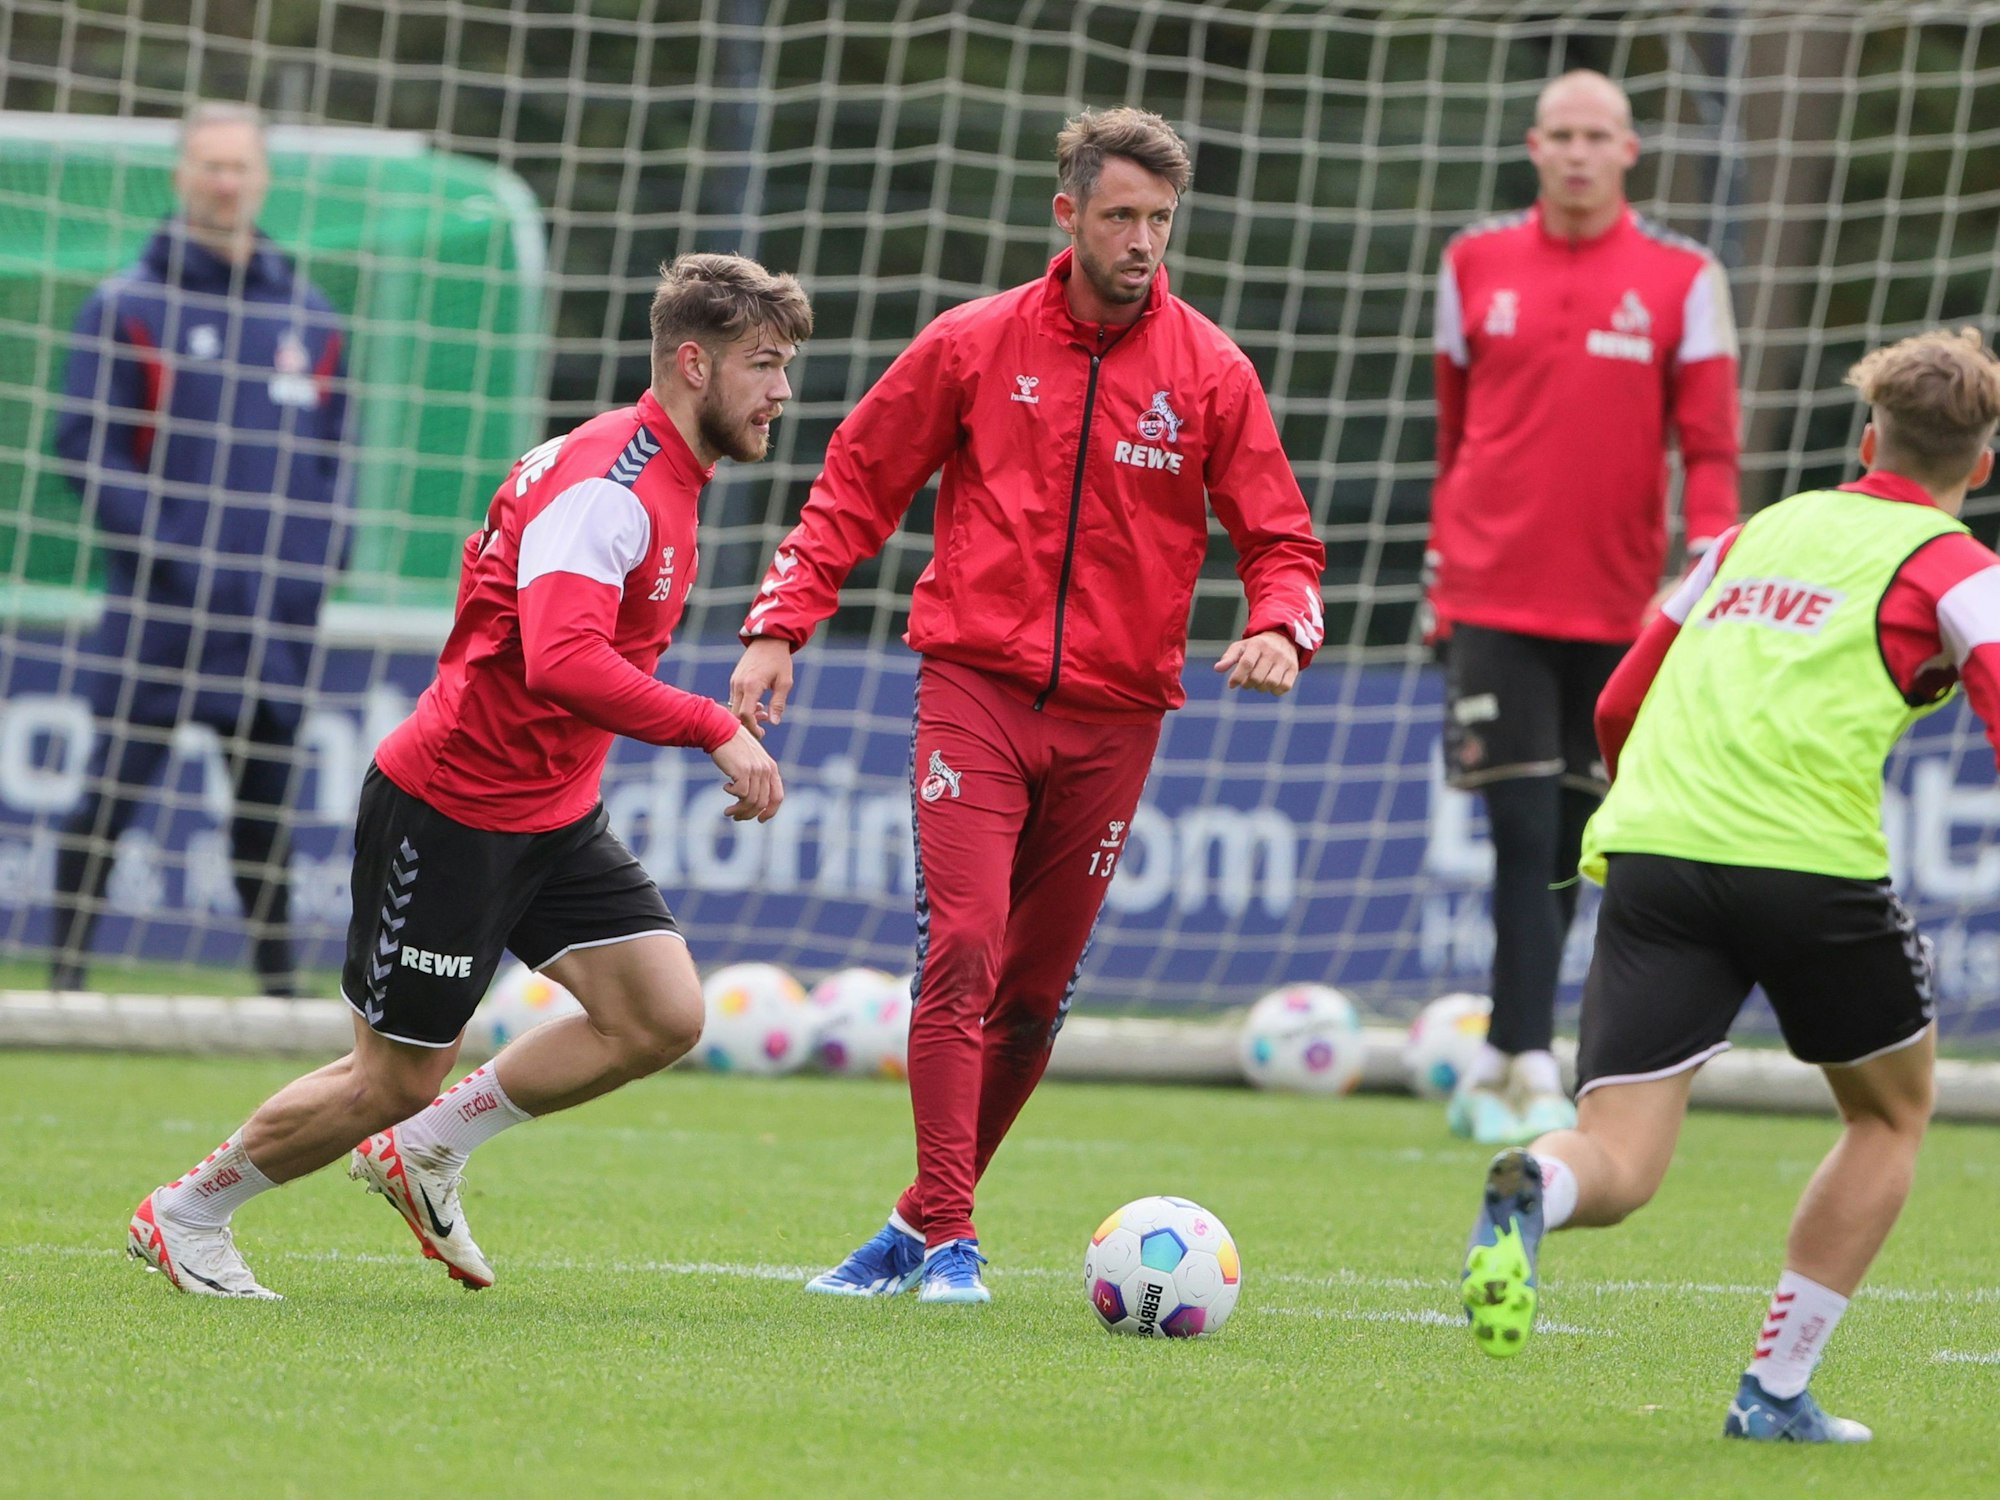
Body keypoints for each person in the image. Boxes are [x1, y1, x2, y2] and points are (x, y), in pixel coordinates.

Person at [729, 106, 1327, 1305]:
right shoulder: (970, 342)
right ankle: (952, 1238)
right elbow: (854, 482)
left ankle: (911, 1224)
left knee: (1036, 992)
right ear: (1067, 215)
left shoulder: (1210, 371)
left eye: (1160, 219)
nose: (1142, 241)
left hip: (1118, 716)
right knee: (959, 947)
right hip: (974, 687)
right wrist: (779, 625)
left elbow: (1282, 538)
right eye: (1120, 216)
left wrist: (1279, 625)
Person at [125, 253, 807, 1298]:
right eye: (763, 364)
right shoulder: (609, 483)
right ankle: (188, 1214)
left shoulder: (654, 470)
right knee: (389, 1079)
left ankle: (428, 1150)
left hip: (550, 812)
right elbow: (562, 658)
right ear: (690, 362)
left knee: (661, 1014)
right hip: (451, 809)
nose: (782, 392)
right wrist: (711, 726)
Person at [1457, 327, 2000, 1442]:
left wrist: (1659, 810)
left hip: (1654, 850)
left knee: (1617, 1157)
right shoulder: (1958, 568)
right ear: (1979, 465)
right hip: (1807, 865)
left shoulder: (1752, 533)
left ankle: (1533, 1191)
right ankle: (1772, 1395)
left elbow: (1617, 701)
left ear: (1864, 438)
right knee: (1889, 1115)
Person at [1425, 70, 1742, 1144]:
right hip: (1488, 591)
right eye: (1557, 134)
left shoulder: (1682, 277)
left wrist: (1701, 575)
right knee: (1516, 828)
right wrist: (1437, 563)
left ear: (1627, 151)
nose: (1574, 152)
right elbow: (1452, 427)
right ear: (1531, 146)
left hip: (1620, 606)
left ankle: (1516, 1053)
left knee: (1571, 834)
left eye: (1593, 135)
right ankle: (1518, 1055)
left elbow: (1707, 448)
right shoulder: (1471, 262)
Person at [48, 101, 350, 998]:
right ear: (180, 175)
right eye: (209, 165)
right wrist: (173, 550)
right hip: (162, 609)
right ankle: (61, 984)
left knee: (265, 816)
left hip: (272, 618)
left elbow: (336, 464)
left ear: (262, 179)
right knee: (110, 797)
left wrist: (317, 564)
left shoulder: (312, 314)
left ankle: (278, 997)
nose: (226, 181)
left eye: (240, 166)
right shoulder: (127, 305)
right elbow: (84, 447)